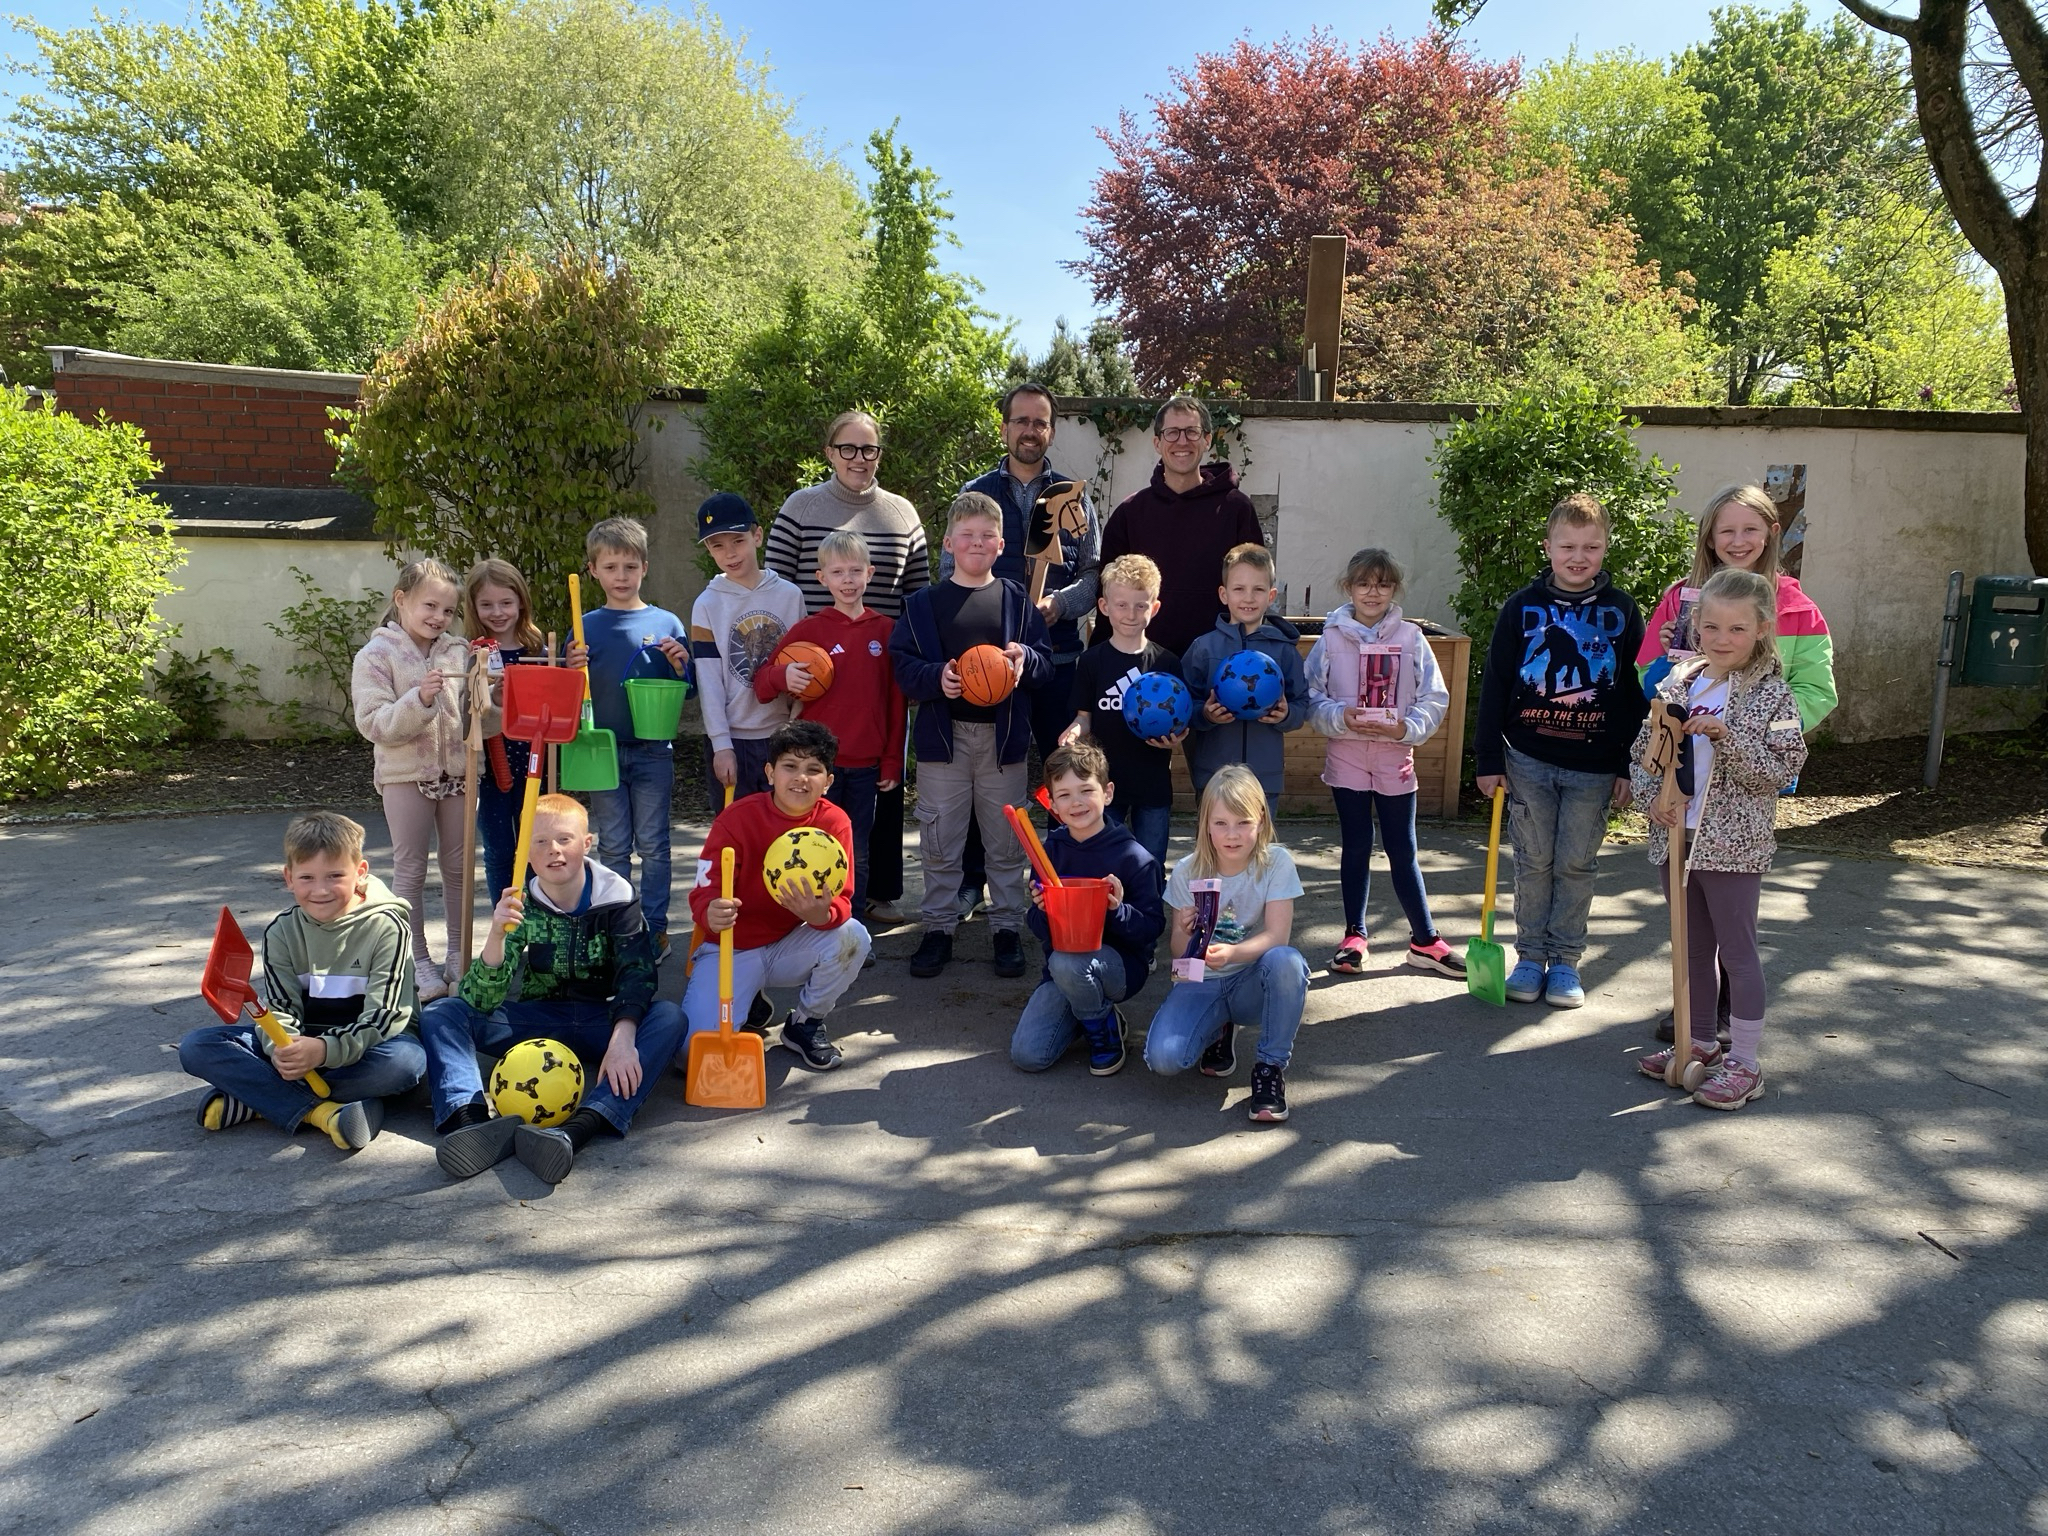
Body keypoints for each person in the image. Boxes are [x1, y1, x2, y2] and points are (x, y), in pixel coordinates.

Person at [1635, 483, 1838, 1045]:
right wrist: (1669, 674)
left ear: (1771, 534)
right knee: (1693, 936)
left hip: (1741, 802)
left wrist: (1747, 729)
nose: (1738, 540)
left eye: (1750, 529)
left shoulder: (1796, 607)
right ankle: (1698, 1032)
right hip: (1682, 803)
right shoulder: (1680, 601)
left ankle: (1737, 1041)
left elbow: (1814, 694)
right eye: (1726, 530)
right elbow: (1651, 695)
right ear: (1710, 537)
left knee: (1734, 932)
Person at [422, 793, 686, 1184]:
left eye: (564, 839)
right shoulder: (520, 902)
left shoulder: (619, 899)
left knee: (668, 1017)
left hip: (602, 1020)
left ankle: (580, 1128)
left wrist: (622, 1039)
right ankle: (470, 1120)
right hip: (538, 1022)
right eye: (541, 841)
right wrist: (496, 935)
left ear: (586, 843)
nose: (554, 850)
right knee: (443, 1012)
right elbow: (481, 998)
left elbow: (638, 975)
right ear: (525, 853)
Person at [1628, 569, 1808, 1110]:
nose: (1722, 639)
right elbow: (1644, 753)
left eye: (1736, 628)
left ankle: (1745, 1063)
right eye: (1711, 627)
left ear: (1761, 629)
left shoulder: (1773, 696)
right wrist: (1651, 800)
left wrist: (1727, 739)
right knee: (1691, 947)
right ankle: (1699, 1039)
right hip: (1676, 839)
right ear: (1695, 626)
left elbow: (1780, 772)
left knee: (1737, 952)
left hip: (1734, 845)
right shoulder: (1676, 684)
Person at [1473, 493, 1649, 1010]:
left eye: (1591, 547)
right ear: (1548, 547)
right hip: (1527, 760)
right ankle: (1530, 957)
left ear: (1606, 548)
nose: (1579, 557)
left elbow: (1635, 694)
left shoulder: (1622, 611)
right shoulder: (1520, 608)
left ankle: (1566, 960)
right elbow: (1496, 683)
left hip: (1594, 768)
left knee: (1575, 863)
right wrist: (1488, 758)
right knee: (1533, 861)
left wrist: (1628, 764)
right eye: (1568, 546)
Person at [765, 410, 930, 927]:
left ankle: (864, 905)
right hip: (821, 675)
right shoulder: (801, 506)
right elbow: (776, 583)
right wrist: (791, 669)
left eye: (869, 449)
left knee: (868, 817)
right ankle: (806, 910)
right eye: (848, 448)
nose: (860, 458)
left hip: (881, 665)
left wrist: (913, 657)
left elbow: (919, 592)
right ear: (830, 452)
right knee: (812, 816)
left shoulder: (901, 514)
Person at [179, 811, 425, 1150]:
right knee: (197, 1047)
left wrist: (323, 1050)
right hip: (302, 1040)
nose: (320, 890)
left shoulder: (388, 926)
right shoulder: (282, 931)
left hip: (371, 1045)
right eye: (307, 877)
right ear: (289, 877)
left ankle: (258, 1099)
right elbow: (280, 1007)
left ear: (360, 873)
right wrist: (283, 1049)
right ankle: (324, 1113)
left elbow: (385, 1017)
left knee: (405, 1064)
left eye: (335, 875)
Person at [891, 491, 1053, 980]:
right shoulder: (923, 604)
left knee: (1006, 841)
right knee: (941, 839)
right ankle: (938, 927)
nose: (977, 543)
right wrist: (935, 677)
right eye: (967, 535)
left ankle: (1006, 927)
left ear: (1001, 545)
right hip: (945, 743)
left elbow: (1045, 664)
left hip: (1003, 743)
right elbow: (902, 666)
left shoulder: (1016, 601)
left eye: (987, 536)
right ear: (948, 544)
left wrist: (1026, 660)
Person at [1304, 548, 1464, 978]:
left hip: (1395, 757)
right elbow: (1310, 696)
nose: (1373, 592)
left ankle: (1424, 940)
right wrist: (1341, 716)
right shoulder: (1330, 639)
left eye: (1383, 584)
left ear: (1395, 589)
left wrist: (1406, 728)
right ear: (1348, 588)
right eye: (1363, 583)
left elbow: (1435, 696)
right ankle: (1354, 936)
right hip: (1347, 757)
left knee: (1402, 849)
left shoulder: (1412, 638)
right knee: (1356, 845)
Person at [682, 720, 872, 1070]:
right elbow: (704, 889)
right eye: (790, 766)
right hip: (733, 945)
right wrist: (710, 912)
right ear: (770, 773)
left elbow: (843, 901)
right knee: (692, 1056)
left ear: (828, 782)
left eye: (813, 769)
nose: (801, 778)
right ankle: (748, 996)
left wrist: (820, 915)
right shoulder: (736, 819)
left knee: (853, 937)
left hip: (790, 944)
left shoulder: (835, 823)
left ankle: (805, 1023)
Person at [753, 530, 906, 921]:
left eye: (855, 571)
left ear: (870, 573)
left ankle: (849, 925)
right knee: (808, 845)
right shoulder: (809, 630)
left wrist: (892, 760)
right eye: (838, 572)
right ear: (822, 578)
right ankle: (801, 923)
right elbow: (762, 684)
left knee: (856, 850)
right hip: (815, 766)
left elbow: (896, 703)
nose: (848, 580)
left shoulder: (886, 631)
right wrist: (783, 675)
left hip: (866, 764)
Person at [1144, 765, 1310, 1124]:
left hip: (1251, 981)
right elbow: (1178, 954)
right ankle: (1218, 1026)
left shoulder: (1276, 862)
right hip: (1201, 981)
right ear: (1205, 823)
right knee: (1164, 1059)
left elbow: (1277, 937)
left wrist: (1234, 953)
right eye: (1221, 823)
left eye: (1242, 822)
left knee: (1287, 961)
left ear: (1261, 820)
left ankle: (1269, 1068)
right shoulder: (1187, 870)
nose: (1232, 835)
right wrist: (1184, 931)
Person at [952, 381, 1101, 756]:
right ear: (1004, 428)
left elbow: (1093, 574)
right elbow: (949, 573)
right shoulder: (974, 494)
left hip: (1058, 661)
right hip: (991, 662)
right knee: (995, 772)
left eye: (1040, 423)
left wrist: (1060, 604)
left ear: (1051, 432)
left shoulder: (1073, 496)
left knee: (1063, 767)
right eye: (1021, 421)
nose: (1030, 431)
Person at [351, 557, 470, 1001]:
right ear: (401, 599)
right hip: (405, 776)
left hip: (459, 774)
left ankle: (460, 956)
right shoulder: (375, 655)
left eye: (448, 610)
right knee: (411, 869)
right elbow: (373, 723)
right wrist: (418, 700)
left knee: (459, 868)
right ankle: (417, 961)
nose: (438, 617)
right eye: (430, 606)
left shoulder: (459, 652)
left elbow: (481, 721)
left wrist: (492, 696)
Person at [574, 516, 691, 963]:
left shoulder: (666, 622)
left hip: (653, 752)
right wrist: (571, 667)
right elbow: (572, 695)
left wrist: (680, 665)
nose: (620, 576)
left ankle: (655, 929)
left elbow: (687, 691)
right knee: (614, 846)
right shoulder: (585, 626)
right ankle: (619, 928)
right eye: (610, 567)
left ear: (645, 567)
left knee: (655, 845)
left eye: (629, 566)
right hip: (601, 750)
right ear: (593, 571)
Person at [1010, 739, 1164, 1076]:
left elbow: (1153, 928)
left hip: (1119, 968)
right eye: (1064, 795)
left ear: (1107, 793)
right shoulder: (1048, 853)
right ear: (1052, 803)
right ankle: (1087, 1010)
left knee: (1067, 961)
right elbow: (1038, 930)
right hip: (1061, 970)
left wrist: (1117, 910)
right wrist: (1042, 910)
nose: (1076, 802)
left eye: (1086, 791)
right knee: (1028, 1056)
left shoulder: (1135, 857)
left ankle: (1103, 1027)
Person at [1097, 395, 1265, 658]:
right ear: (1157, 442)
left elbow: (1255, 588)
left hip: (1218, 662)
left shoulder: (1236, 509)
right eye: (1172, 432)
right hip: (1145, 664)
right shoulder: (1130, 513)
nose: (1182, 441)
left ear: (1207, 439)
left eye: (1192, 432)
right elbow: (1108, 592)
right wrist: (1102, 662)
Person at [1059, 553, 1184, 876]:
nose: (1131, 614)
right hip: (1103, 787)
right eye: (1121, 605)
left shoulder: (1167, 663)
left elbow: (1179, 719)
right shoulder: (1092, 662)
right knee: (1103, 864)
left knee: (1151, 865)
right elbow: (1084, 717)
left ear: (1155, 607)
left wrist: (1177, 738)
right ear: (1104, 606)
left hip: (1153, 784)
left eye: (1141, 605)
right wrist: (1074, 731)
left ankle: (1149, 909)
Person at [689, 492, 804, 801]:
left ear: (757, 536)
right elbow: (709, 680)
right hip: (732, 739)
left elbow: (804, 661)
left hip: (782, 735)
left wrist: (796, 724)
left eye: (738, 541)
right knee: (735, 829)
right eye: (717, 545)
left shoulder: (790, 596)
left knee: (784, 825)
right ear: (709, 550)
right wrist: (721, 745)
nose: (730, 553)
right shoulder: (707, 604)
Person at [1180, 543, 1309, 800]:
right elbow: (1184, 704)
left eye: (1258, 589)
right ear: (1223, 594)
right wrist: (1205, 714)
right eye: (1239, 589)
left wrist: (1286, 715)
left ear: (1271, 596)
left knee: (1259, 830)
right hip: (1214, 775)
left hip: (1264, 778)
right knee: (1216, 828)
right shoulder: (1203, 648)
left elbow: (1302, 703)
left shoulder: (1283, 650)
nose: (1248, 598)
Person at [462, 557, 545, 916]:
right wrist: (488, 697)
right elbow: (465, 714)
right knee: (499, 850)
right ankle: (505, 925)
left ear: (521, 602)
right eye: (487, 605)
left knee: (535, 847)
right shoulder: (470, 652)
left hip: (535, 764)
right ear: (474, 607)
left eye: (506, 603)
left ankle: (537, 920)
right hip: (491, 769)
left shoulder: (539, 652)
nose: (497, 613)